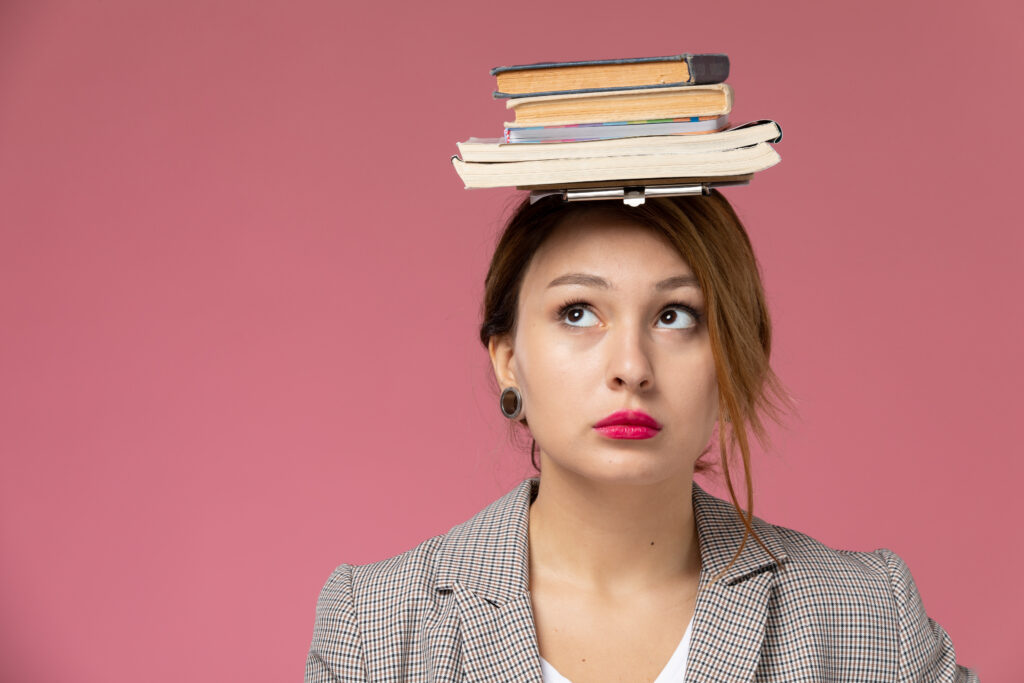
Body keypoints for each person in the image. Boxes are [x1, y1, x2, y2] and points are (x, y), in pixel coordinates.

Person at [304, 191, 979, 682]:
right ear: (508, 357)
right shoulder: (376, 626)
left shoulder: (866, 616)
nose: (631, 366)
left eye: (675, 315)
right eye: (577, 312)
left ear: (733, 358)